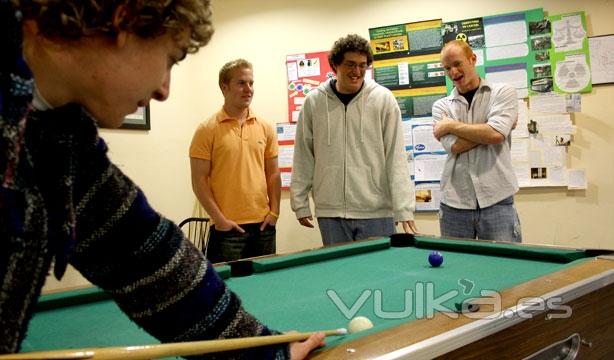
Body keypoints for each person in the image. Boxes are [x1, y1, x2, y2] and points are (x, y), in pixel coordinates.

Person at [0, 0, 322, 358]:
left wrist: (268, 353)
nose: (164, 90)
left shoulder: (62, 142)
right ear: (123, 21)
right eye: (169, 60)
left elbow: (150, 259)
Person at [290, 34, 417, 245]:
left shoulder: (383, 100)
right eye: (350, 64)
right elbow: (303, 155)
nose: (356, 72)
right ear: (335, 65)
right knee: (339, 276)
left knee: (379, 277)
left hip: (376, 212)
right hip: (330, 213)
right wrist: (299, 202)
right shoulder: (313, 102)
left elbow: (396, 156)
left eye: (362, 65)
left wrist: (403, 208)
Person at [190, 59, 280, 263]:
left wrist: (274, 212)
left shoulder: (265, 127)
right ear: (224, 87)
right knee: (225, 291)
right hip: (227, 230)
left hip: (263, 226)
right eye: (241, 83)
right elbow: (199, 180)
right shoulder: (206, 130)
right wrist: (220, 220)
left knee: (267, 287)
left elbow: (273, 174)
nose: (248, 89)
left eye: (251, 83)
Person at [431, 40, 522, 242]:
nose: (453, 72)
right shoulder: (441, 107)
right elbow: (455, 146)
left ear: (472, 59)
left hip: (497, 200)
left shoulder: (502, 92)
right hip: (454, 204)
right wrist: (489, 130)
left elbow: (496, 134)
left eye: (457, 64)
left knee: (505, 267)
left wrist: (450, 126)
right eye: (447, 68)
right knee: (455, 269)